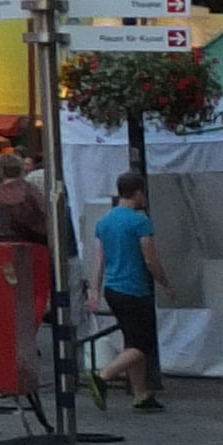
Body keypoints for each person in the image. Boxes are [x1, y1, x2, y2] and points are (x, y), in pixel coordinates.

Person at [90, 167, 165, 414]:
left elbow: (99, 260)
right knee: (142, 345)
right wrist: (165, 282)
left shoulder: (104, 221)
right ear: (139, 192)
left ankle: (141, 394)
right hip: (134, 289)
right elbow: (150, 259)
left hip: (112, 288)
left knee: (131, 341)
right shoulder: (140, 222)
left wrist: (94, 290)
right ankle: (104, 376)